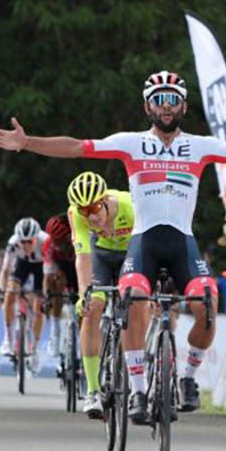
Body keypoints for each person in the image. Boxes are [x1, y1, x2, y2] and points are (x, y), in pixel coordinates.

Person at [0, 69, 226, 422]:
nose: (166, 106)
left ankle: (188, 378)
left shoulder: (200, 147)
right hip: (143, 243)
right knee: (130, 298)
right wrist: (27, 142)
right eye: (158, 100)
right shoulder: (131, 143)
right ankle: (139, 391)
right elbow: (77, 147)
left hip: (181, 243)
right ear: (148, 107)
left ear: (184, 107)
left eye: (173, 100)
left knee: (207, 300)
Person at [65, 172, 134, 419]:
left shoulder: (130, 204)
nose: (92, 216)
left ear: (105, 200)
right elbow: (82, 257)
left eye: (95, 207)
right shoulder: (77, 215)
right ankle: (93, 390)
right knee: (92, 307)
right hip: (101, 256)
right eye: (85, 211)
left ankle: (138, 376)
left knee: (137, 300)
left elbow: (149, 248)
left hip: (131, 254)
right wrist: (85, 295)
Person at [0, 218, 49, 373]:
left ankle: (34, 350)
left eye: (29, 241)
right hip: (22, 264)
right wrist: (1, 290)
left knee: (39, 308)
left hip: (42, 268)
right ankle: (8, 337)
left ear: (36, 238)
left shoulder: (46, 242)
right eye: (23, 241)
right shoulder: (13, 243)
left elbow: (50, 272)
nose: (26, 245)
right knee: (9, 294)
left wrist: (45, 294)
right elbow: (5, 270)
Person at [41, 213, 76, 360]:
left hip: (78, 265)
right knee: (56, 282)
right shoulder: (49, 245)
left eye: (60, 242)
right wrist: (48, 297)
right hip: (61, 268)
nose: (56, 245)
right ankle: (54, 331)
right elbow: (47, 276)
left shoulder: (79, 238)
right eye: (54, 241)